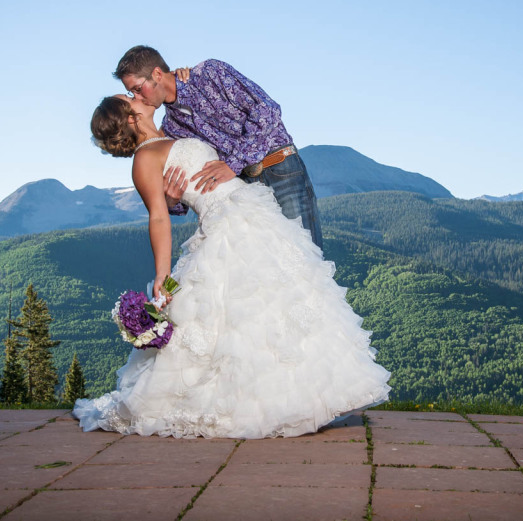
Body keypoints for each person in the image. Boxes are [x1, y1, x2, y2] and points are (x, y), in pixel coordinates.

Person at [73, 95, 390, 438]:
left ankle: (313, 394)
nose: (136, 95)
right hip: (224, 226)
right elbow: (158, 217)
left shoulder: (169, 132)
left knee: (283, 302)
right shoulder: (144, 158)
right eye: (128, 97)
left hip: (253, 211)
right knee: (243, 314)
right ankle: (256, 403)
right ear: (130, 118)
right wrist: (163, 274)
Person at [114, 45, 323, 249]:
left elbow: (267, 111)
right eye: (132, 93)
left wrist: (232, 164)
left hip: (281, 170)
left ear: (157, 74)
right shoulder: (171, 128)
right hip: (244, 193)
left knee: (306, 256)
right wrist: (171, 202)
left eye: (138, 89)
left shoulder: (209, 73)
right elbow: (187, 190)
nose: (138, 98)